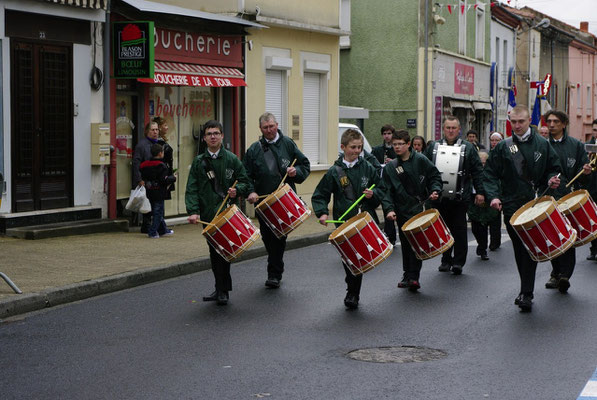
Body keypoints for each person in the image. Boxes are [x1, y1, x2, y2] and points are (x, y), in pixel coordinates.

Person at [484, 105, 562, 312]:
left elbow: (554, 168)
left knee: (530, 248)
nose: (517, 126)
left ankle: (526, 292)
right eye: (513, 122)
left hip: (536, 204)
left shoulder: (543, 145)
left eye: (521, 122)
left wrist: (552, 179)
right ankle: (526, 289)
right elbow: (490, 173)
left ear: (529, 122)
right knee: (520, 250)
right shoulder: (503, 146)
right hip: (511, 205)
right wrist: (493, 196)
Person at [312, 128, 384, 309]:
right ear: (343, 147)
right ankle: (352, 287)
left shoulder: (368, 168)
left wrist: (373, 194)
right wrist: (322, 212)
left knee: (358, 256)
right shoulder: (334, 172)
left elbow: (382, 189)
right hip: (343, 221)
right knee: (348, 258)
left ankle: (353, 293)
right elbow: (320, 194)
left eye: (360, 147)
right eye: (353, 147)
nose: (357, 151)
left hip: (363, 220)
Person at [186, 120, 252, 306]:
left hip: (227, 213)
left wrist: (237, 190)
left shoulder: (232, 159)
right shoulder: (199, 162)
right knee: (214, 252)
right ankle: (220, 288)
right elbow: (192, 188)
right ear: (205, 138)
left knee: (223, 251)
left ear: (222, 136)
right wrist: (193, 211)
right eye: (209, 134)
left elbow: (245, 181)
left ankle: (223, 290)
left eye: (216, 133)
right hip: (208, 215)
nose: (213, 136)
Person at [244, 113, 310, 289]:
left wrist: (296, 171)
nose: (269, 130)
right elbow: (246, 175)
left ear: (277, 125)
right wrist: (250, 191)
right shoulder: (254, 150)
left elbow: (304, 165)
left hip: (284, 201)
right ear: (260, 129)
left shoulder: (288, 144)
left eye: (271, 126)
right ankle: (275, 263)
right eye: (265, 128)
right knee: (267, 236)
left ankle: (274, 273)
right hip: (263, 203)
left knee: (279, 237)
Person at [424, 116, 485, 275]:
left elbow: (477, 171)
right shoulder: (433, 147)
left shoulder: (468, 148)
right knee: (443, 230)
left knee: (459, 230)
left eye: (453, 128)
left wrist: (480, 192)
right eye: (448, 128)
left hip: (461, 197)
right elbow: (425, 171)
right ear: (443, 129)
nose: (450, 131)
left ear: (459, 130)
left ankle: (458, 262)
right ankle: (445, 260)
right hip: (439, 198)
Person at [381, 130, 442, 291]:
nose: (397, 147)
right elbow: (386, 190)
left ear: (408, 144)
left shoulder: (421, 160)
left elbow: (434, 176)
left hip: (418, 207)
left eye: (400, 144)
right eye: (394, 144)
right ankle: (407, 274)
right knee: (406, 243)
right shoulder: (390, 167)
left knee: (416, 242)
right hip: (401, 209)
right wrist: (389, 209)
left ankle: (414, 276)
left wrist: (435, 190)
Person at [543, 110, 591, 292]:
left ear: (564, 124)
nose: (552, 124)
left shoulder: (576, 145)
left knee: (568, 237)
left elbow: (584, 174)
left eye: (556, 121)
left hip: (569, 197)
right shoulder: (542, 145)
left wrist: (586, 172)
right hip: (548, 197)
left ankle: (564, 275)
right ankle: (555, 273)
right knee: (552, 236)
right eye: (549, 121)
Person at [140, 144, 177, 238]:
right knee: (158, 212)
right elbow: (163, 180)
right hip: (159, 192)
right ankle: (152, 231)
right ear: (160, 153)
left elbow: (143, 176)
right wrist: (173, 178)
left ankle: (163, 230)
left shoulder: (145, 165)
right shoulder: (161, 166)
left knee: (157, 211)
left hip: (149, 191)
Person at [468, 152, 499, 260]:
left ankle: (483, 249)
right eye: (480, 163)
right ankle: (480, 244)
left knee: (484, 226)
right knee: (475, 227)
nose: (482, 166)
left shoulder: (490, 173)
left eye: (484, 163)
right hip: (473, 201)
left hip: (487, 202)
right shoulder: (472, 172)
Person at [372, 124, 398, 245]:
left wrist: (393, 162)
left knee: (391, 208)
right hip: (380, 183)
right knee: (383, 208)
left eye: (389, 133)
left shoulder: (397, 149)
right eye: (385, 134)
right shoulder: (377, 150)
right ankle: (385, 235)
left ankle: (392, 235)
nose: (387, 136)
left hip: (394, 183)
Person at [132, 121, 160, 233]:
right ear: (147, 131)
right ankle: (146, 225)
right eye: (152, 130)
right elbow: (136, 163)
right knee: (147, 202)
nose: (155, 132)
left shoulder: (158, 144)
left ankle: (153, 225)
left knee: (155, 203)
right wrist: (139, 179)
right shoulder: (142, 145)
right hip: (146, 179)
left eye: (157, 130)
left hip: (155, 179)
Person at [488, 131, 504, 250]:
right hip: (489, 188)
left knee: (496, 216)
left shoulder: (505, 154)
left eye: (496, 140)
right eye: (492, 140)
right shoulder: (487, 154)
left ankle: (495, 241)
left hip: (501, 189)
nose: (494, 143)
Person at [153, 116, 175, 199]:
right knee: (159, 204)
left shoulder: (162, 141)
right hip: (162, 176)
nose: (167, 127)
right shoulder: (159, 143)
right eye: (165, 125)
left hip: (165, 174)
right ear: (159, 128)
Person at [585, 119, 597, 261]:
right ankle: (594, 249)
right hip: (593, 186)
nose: (596, 133)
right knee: (593, 218)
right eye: (594, 130)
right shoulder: (588, 146)